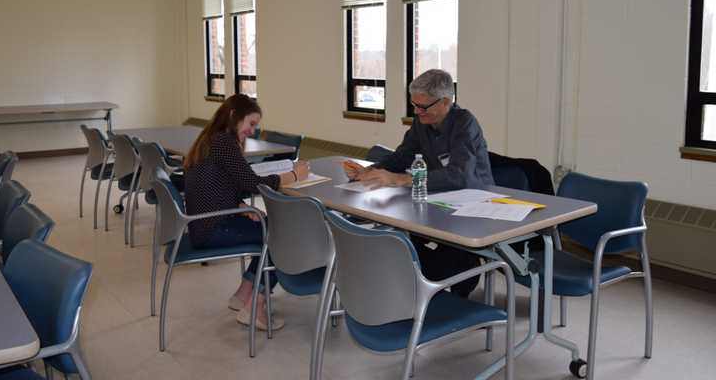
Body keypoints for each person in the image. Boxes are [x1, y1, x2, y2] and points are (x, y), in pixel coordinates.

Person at [343, 69, 493, 297]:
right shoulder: (422, 122)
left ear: (445, 102)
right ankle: (424, 287)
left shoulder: (464, 123)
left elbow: (460, 175)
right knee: (407, 236)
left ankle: (456, 298)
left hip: (472, 202)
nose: (417, 112)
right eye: (414, 105)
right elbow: (402, 155)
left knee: (454, 251)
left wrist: (401, 179)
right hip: (437, 197)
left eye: (423, 107)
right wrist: (370, 170)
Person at [184, 94, 309, 330]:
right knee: (280, 234)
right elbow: (253, 184)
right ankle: (255, 306)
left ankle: (244, 294)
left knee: (270, 224)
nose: (252, 131)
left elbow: (216, 184)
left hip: (204, 223)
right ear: (234, 116)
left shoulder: (211, 139)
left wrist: (241, 207)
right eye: (251, 124)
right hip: (211, 228)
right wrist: (294, 176)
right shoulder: (224, 142)